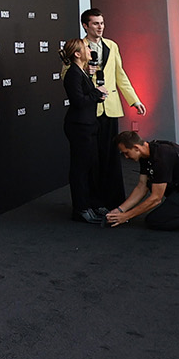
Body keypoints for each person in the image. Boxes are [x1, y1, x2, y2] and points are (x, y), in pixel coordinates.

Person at [78, 10, 146, 207]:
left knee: (110, 156)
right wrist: (84, 70)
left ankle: (112, 200)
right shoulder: (78, 46)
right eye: (95, 24)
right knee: (92, 157)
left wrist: (134, 100)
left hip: (110, 108)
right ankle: (92, 201)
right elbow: (67, 72)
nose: (100, 27)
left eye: (102, 23)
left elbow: (120, 75)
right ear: (85, 26)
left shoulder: (112, 46)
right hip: (89, 109)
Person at [108, 131, 179, 232]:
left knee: (155, 221)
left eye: (126, 153)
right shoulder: (147, 153)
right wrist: (120, 210)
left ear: (136, 148)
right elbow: (141, 187)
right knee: (151, 182)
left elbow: (156, 199)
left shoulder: (161, 158)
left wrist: (126, 216)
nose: (126, 157)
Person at [61, 39, 109, 225]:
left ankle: (90, 204)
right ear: (77, 54)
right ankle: (81, 209)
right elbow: (79, 101)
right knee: (80, 169)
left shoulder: (82, 72)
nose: (90, 49)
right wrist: (97, 93)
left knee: (90, 167)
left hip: (88, 126)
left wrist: (97, 94)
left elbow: (85, 98)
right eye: (86, 47)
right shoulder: (73, 73)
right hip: (79, 127)